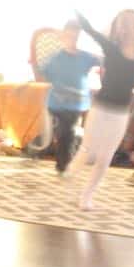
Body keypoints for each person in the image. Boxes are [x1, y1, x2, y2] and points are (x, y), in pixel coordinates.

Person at [65, 10, 134, 210]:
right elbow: (90, 30)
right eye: (123, 24)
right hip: (100, 108)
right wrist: (77, 14)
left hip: (120, 113)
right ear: (116, 29)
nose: (128, 29)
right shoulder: (111, 48)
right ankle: (72, 173)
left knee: (105, 156)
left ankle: (87, 196)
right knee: (88, 150)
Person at [41, 20, 97, 172]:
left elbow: (103, 62)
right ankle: (58, 161)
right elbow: (46, 73)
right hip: (56, 103)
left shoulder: (87, 57)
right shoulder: (56, 58)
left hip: (76, 103)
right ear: (63, 37)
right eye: (69, 36)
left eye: (76, 36)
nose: (73, 39)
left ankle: (62, 163)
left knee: (67, 131)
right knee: (61, 131)